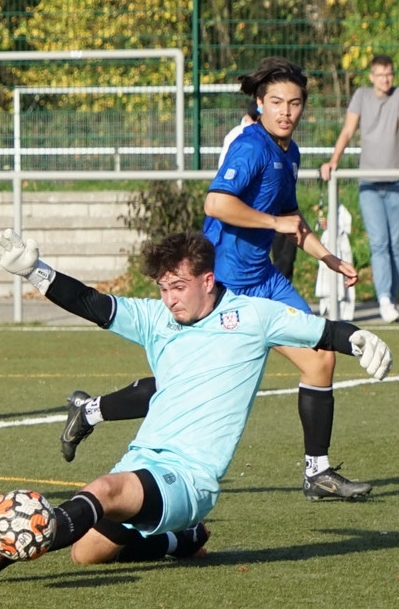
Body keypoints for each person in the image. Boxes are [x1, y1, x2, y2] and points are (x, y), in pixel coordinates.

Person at [0, 229, 392, 583]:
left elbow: (324, 331)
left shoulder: (253, 316)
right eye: (163, 288)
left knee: (103, 490)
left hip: (189, 478)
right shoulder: (156, 319)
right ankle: (183, 539)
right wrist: (35, 271)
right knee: (87, 554)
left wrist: (359, 339)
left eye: (178, 287)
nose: (170, 299)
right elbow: (90, 302)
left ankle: (14, 543)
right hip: (141, 461)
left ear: (208, 281)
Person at [61, 58, 371, 504]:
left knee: (320, 359)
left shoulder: (290, 153)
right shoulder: (251, 147)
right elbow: (216, 204)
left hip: (263, 280)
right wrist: (273, 223)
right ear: (259, 104)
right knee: (184, 384)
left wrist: (329, 258)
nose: (286, 111)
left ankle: (317, 472)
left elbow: (290, 217)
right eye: (276, 102)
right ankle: (89, 411)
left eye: (294, 103)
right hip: (223, 285)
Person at [320, 54, 399, 323]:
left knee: (394, 244)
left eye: (389, 74)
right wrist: (334, 160)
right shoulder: (362, 95)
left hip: (397, 180)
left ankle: (390, 298)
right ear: (372, 76)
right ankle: (384, 298)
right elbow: (348, 130)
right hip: (369, 182)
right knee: (378, 242)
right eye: (381, 75)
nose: (386, 79)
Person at [220, 100, 297, 281]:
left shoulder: (285, 145)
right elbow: (221, 196)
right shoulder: (243, 139)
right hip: (247, 217)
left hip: (273, 209)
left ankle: (280, 282)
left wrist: (329, 258)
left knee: (283, 257)